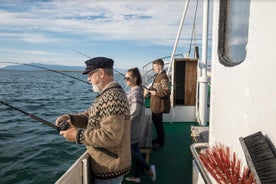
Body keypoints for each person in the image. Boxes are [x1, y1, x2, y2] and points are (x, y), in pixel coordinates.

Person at [55, 57, 131, 184]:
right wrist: (71, 118)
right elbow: (89, 116)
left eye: (90, 74)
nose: (88, 79)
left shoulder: (113, 98)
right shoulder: (107, 95)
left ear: (101, 73)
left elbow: (111, 136)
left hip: (110, 170)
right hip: (108, 167)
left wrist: (77, 135)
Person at [124, 67, 156, 183]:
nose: (125, 80)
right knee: (136, 150)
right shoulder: (137, 90)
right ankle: (137, 176)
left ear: (135, 78)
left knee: (128, 150)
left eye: (128, 78)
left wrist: (123, 119)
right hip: (137, 126)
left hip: (133, 127)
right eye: (124, 78)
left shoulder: (136, 91)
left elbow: (135, 110)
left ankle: (147, 167)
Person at [145, 59, 170, 149]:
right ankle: (158, 139)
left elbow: (167, 92)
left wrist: (156, 93)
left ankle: (160, 142)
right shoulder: (158, 76)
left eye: (154, 67)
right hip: (155, 105)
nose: (153, 69)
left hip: (159, 106)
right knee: (156, 122)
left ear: (159, 66)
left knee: (158, 124)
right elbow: (157, 88)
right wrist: (150, 91)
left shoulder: (163, 77)